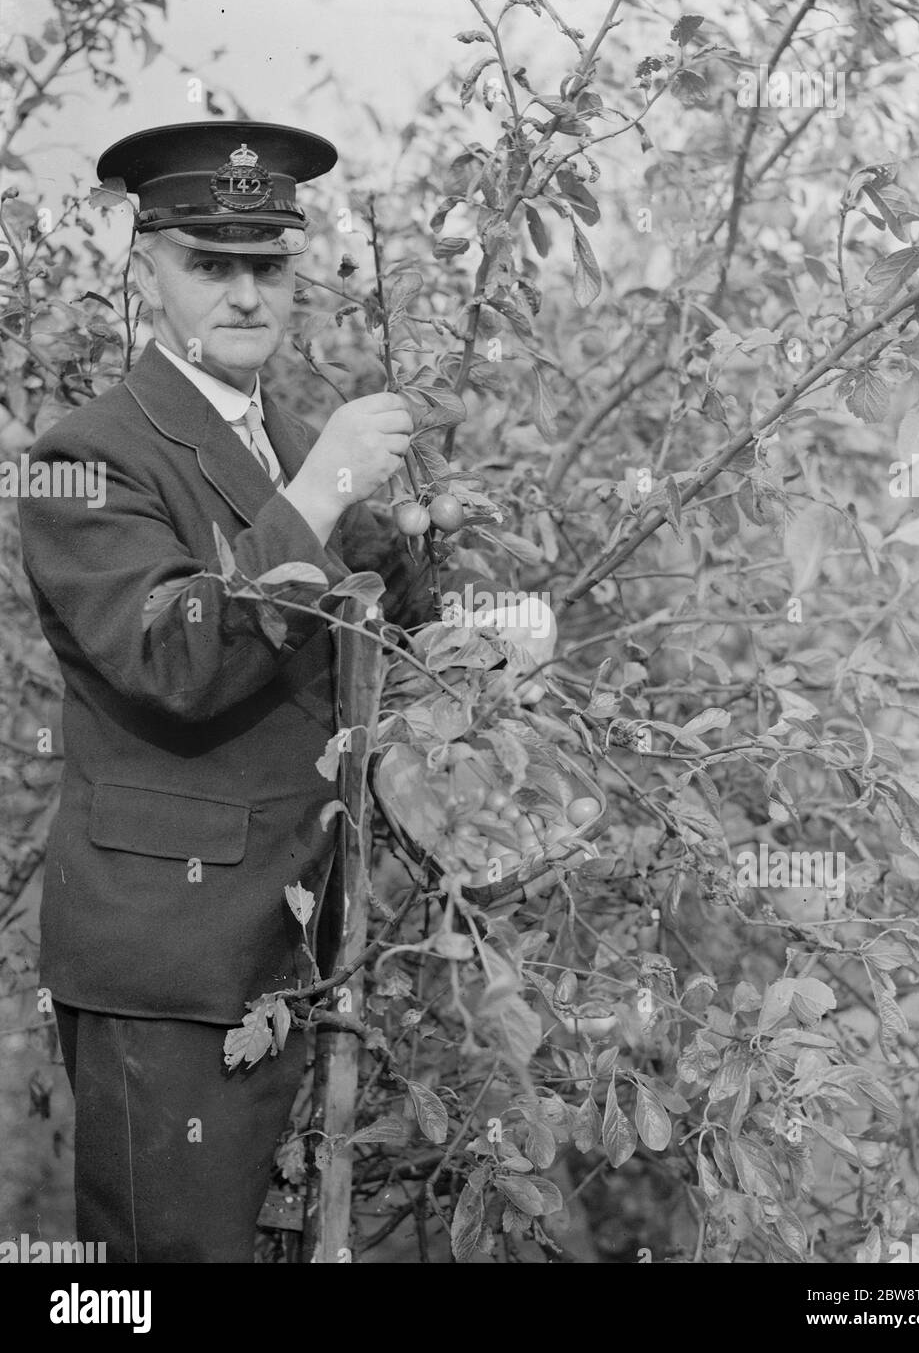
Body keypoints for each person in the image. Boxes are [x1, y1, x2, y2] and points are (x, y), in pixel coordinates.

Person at [16, 121, 547, 1263]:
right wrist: (317, 494)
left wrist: (485, 636)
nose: (246, 293)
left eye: (268, 264)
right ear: (145, 263)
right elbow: (175, 662)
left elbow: (371, 644)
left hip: (305, 947)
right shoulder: (87, 456)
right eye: (211, 263)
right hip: (175, 962)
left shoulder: (298, 441)